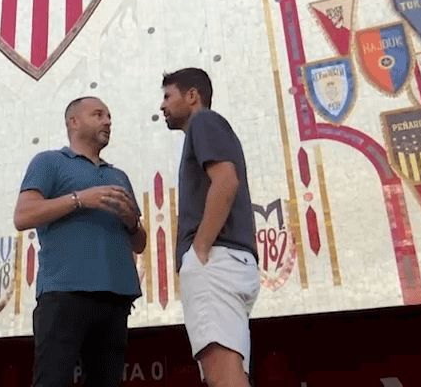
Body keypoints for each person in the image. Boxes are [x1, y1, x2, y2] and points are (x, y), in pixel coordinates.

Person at [14, 96, 146, 387]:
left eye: (109, 116)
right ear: (73, 122)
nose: (107, 121)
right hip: (64, 292)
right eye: (98, 114)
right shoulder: (49, 162)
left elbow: (139, 243)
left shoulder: (118, 176)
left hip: (116, 296)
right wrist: (80, 199)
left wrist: (131, 222)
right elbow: (23, 216)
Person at [159, 68, 259, 387]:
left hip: (215, 260)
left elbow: (226, 181)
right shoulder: (207, 127)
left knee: (222, 376)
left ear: (192, 96)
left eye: (168, 96)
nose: (162, 105)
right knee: (230, 374)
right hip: (225, 260)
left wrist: (200, 249)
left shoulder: (203, 121)